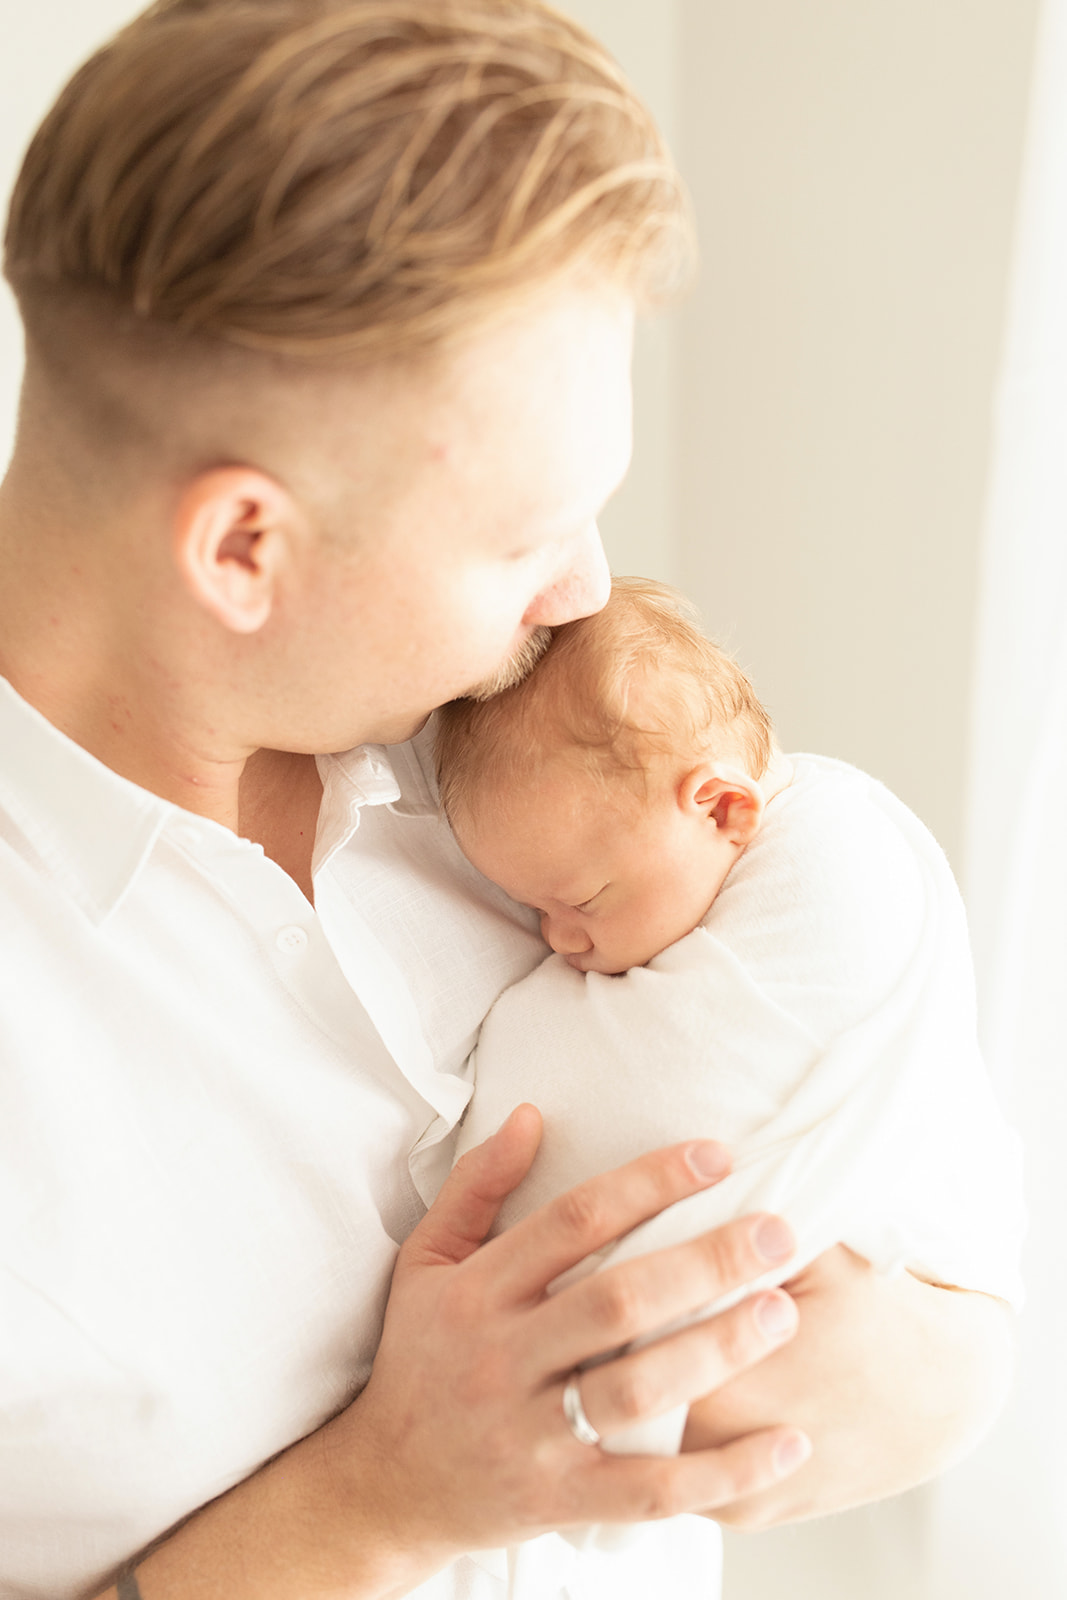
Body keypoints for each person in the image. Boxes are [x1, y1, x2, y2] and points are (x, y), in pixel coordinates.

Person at [0, 4, 1015, 1599]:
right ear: (243, 551)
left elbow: (937, 1260)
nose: (589, 586)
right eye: (526, 532)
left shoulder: (541, 741)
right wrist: (378, 1502)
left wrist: (924, 1374)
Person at [437, 577, 1024, 1471]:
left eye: (581, 901)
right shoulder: (614, 858)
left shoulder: (837, 865)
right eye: (527, 909)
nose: (558, 942)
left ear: (722, 808)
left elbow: (665, 1098)